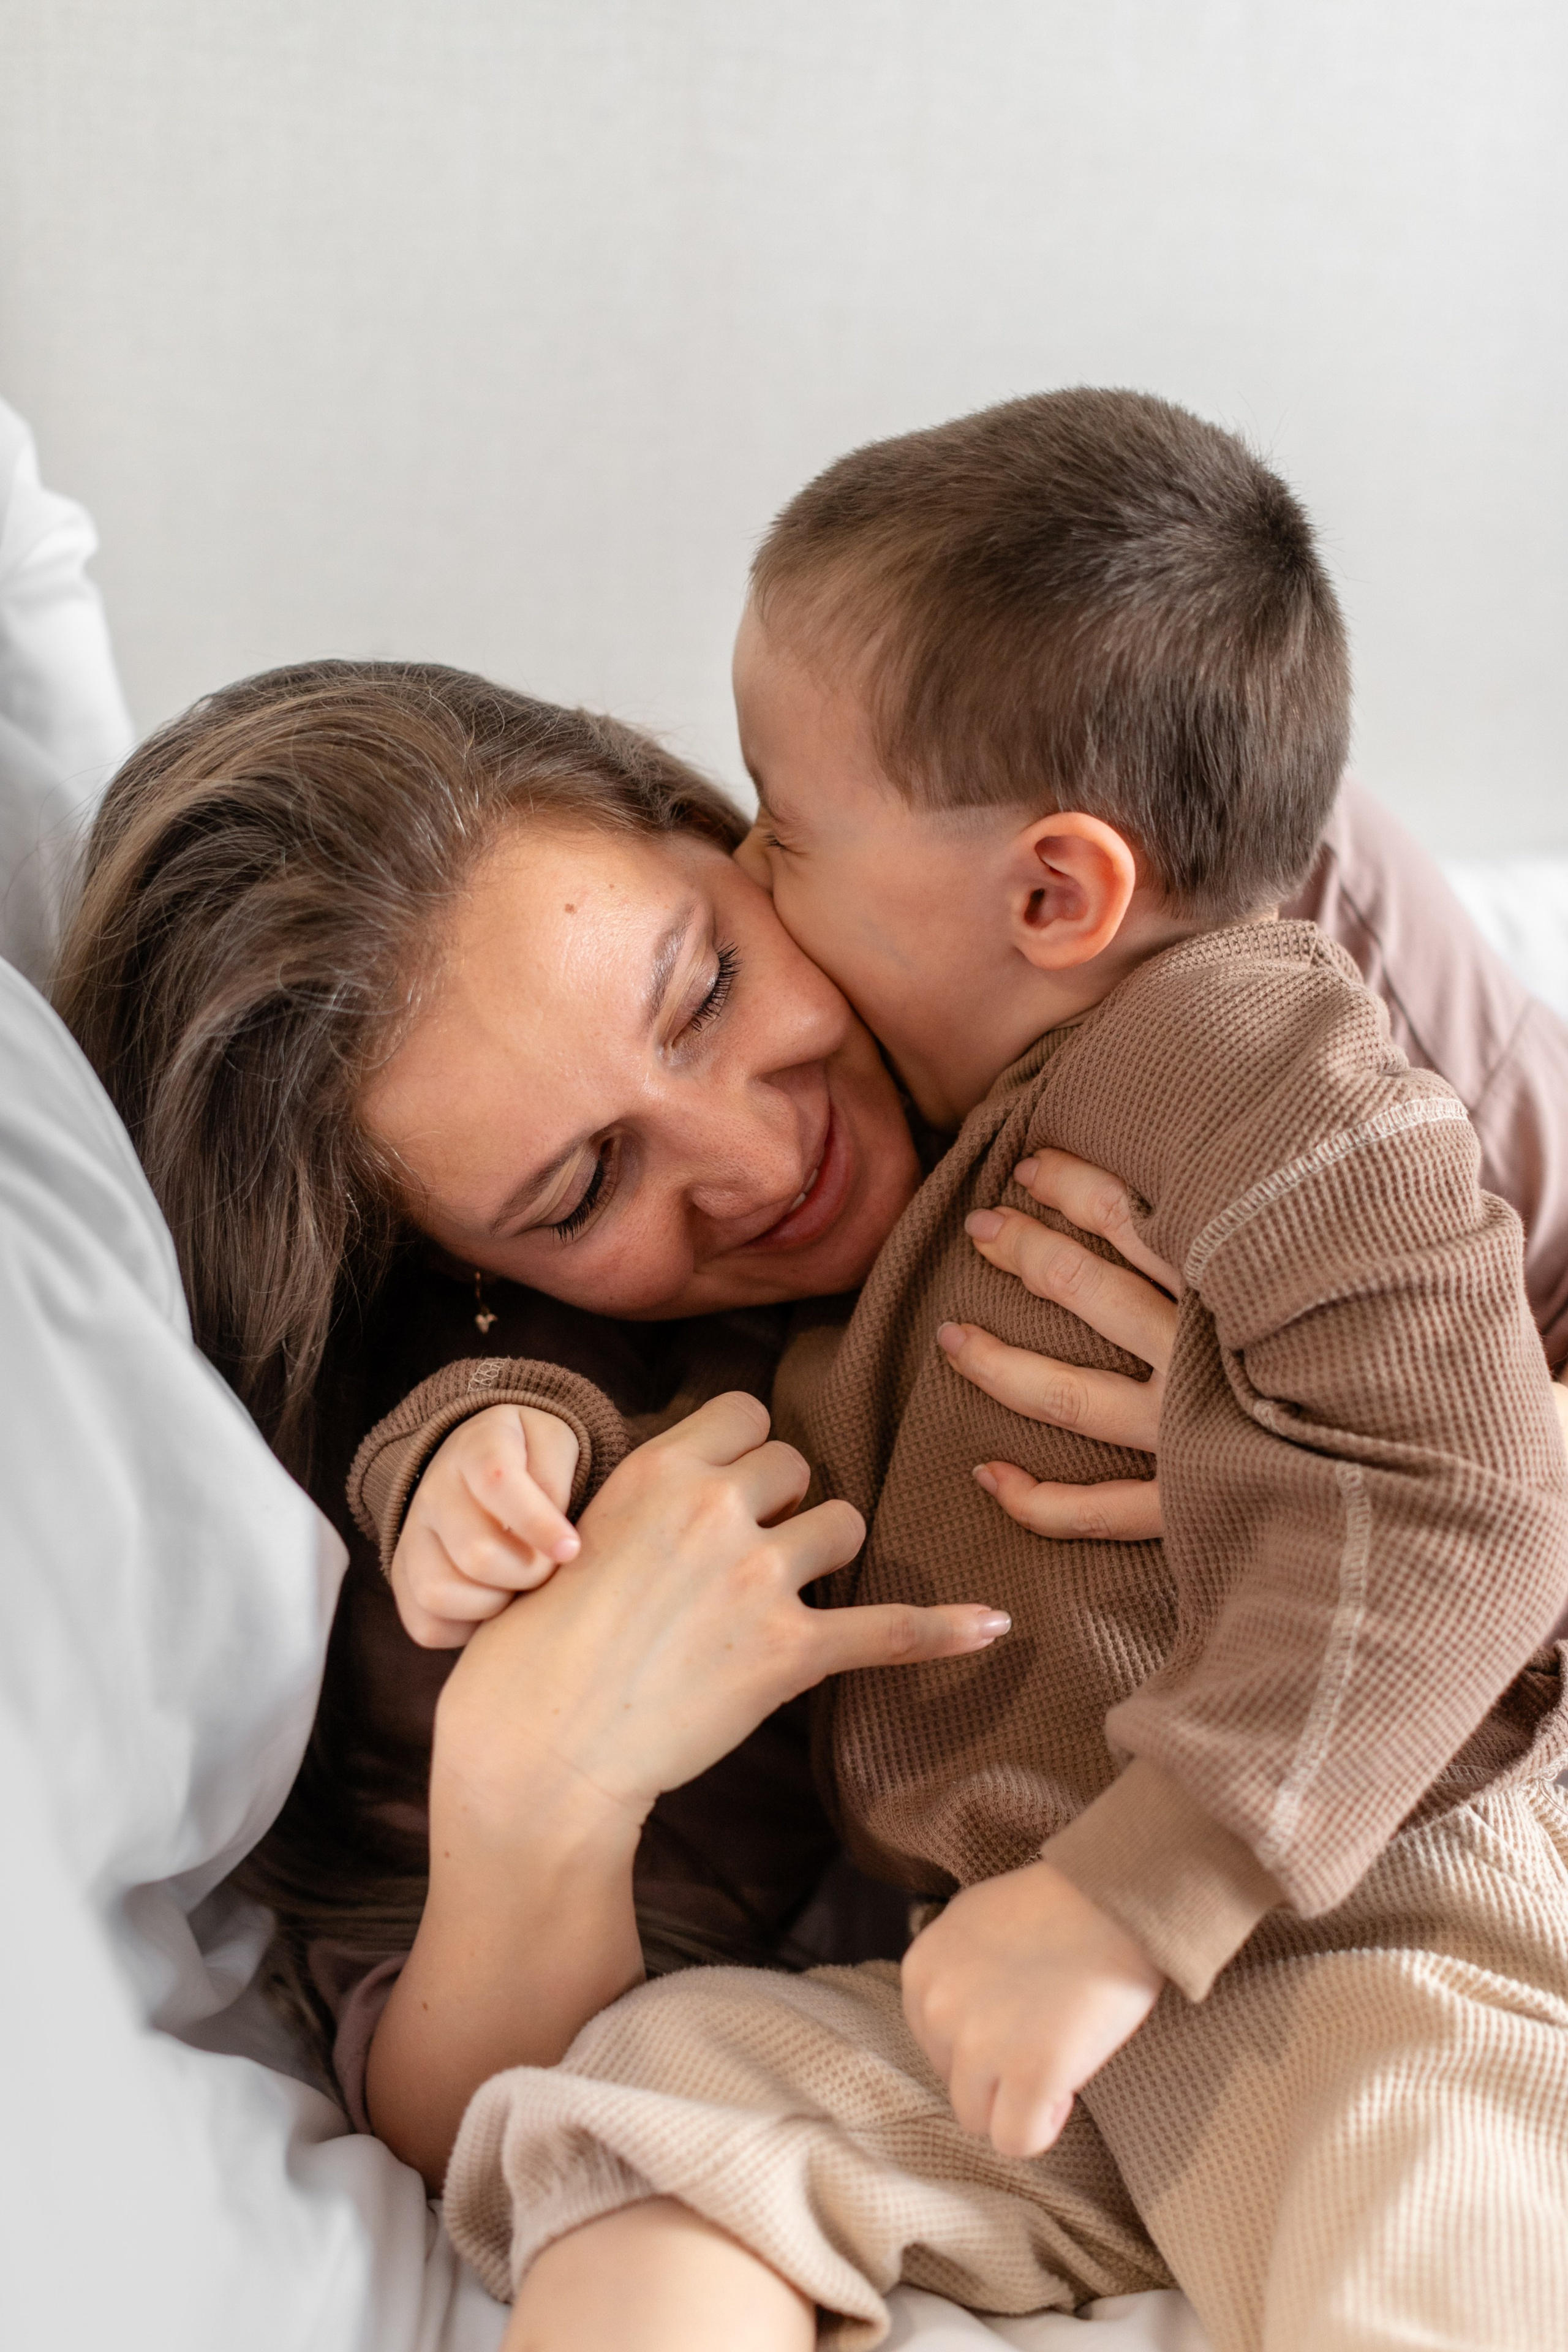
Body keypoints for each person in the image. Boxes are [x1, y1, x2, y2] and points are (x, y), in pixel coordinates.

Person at [53, 641, 1568, 2334]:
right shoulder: (550, 1449)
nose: (761, 1164)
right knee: (648, 2128)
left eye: (703, 991)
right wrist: (535, 1787)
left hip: (1424, 1816)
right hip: (1021, 1998)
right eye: (578, 1193)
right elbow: (481, 2112)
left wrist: (1360, 1437)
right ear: (468, 1267)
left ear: (723, 831)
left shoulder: (1173, 887)